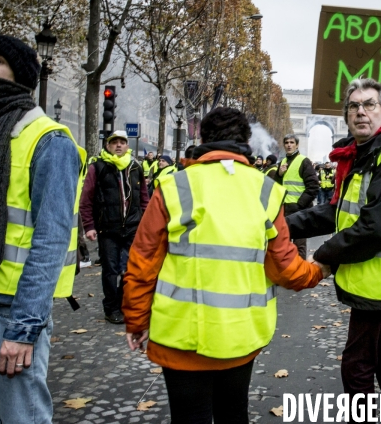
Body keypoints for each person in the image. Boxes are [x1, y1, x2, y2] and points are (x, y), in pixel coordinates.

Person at [122, 107, 330, 424]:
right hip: (239, 335)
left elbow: (142, 263)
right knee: (233, 414)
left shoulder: (174, 188)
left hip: (180, 335)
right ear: (246, 142)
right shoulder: (266, 192)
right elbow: (285, 269)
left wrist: (136, 320)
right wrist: (321, 268)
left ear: (202, 138)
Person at [0, 34, 86, 422]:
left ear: (20, 74)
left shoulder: (48, 139)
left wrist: (24, 327)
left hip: (7, 313)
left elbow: (50, 240)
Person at [287, 78, 381, 423]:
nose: (360, 111)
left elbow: (376, 227)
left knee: (370, 372)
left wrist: (324, 255)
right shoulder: (365, 157)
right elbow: (338, 212)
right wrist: (284, 223)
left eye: (369, 104)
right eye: (353, 106)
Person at [80, 130, 148, 324]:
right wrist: (89, 226)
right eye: (114, 142)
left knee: (130, 269)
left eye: (122, 142)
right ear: (108, 146)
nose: (118, 145)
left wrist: (146, 223)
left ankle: (121, 303)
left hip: (132, 228)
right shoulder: (98, 167)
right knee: (110, 270)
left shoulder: (136, 167)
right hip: (107, 228)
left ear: (127, 146)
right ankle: (111, 308)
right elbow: (86, 199)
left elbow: (144, 198)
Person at [274, 134, 319, 259]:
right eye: (286, 142)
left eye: (292, 142)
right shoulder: (282, 162)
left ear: (297, 145)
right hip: (284, 209)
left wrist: (299, 204)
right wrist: (279, 174)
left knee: (299, 245)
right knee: (284, 243)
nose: (289, 145)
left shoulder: (304, 161)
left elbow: (314, 187)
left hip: (299, 210)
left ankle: (300, 274)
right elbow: (277, 186)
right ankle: (287, 271)